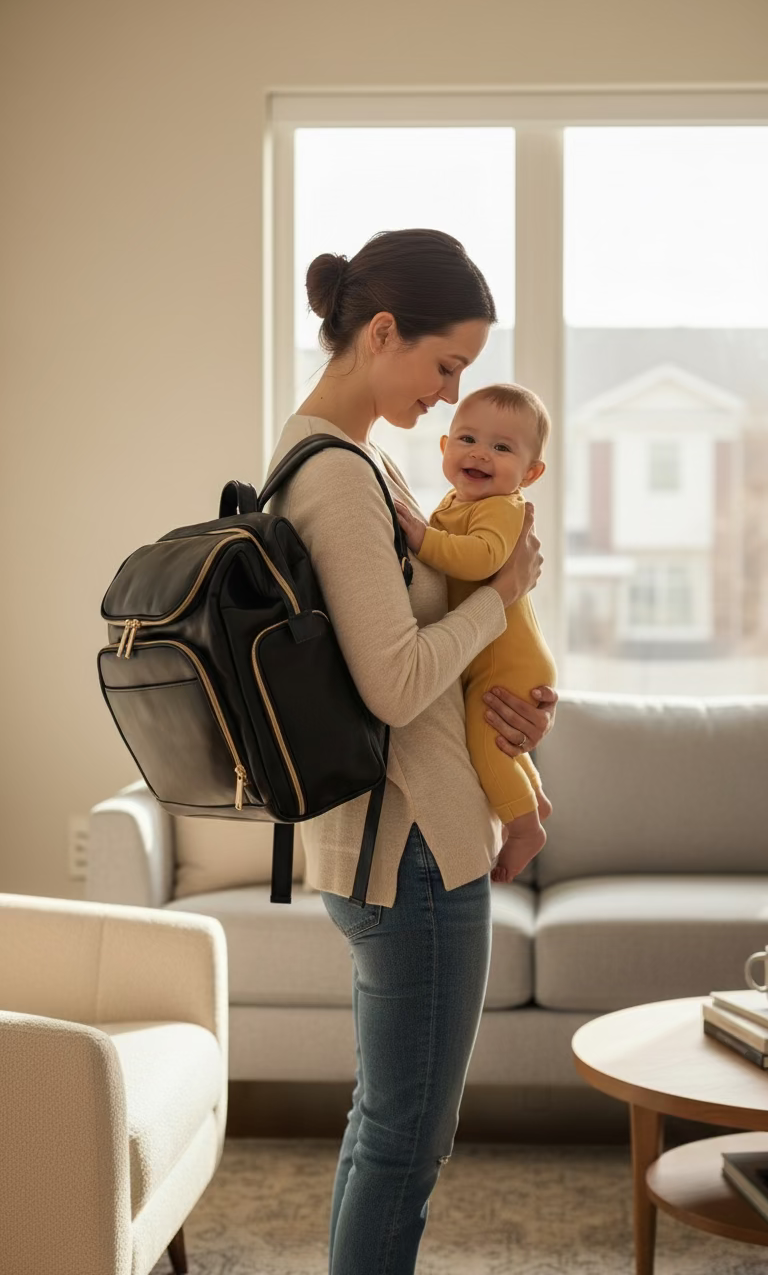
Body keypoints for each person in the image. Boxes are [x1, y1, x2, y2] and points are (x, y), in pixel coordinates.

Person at [263, 227, 558, 1275]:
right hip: (415, 849)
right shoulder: (341, 476)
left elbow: (399, 670)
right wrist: (503, 602)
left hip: (395, 833)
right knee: (404, 1144)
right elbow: (394, 682)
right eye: (446, 365)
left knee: (385, 1131)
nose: (451, 394)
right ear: (381, 333)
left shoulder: (345, 459)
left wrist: (511, 698)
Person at [391, 382, 557, 886]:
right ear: (444, 448)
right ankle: (534, 794)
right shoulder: (455, 501)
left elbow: (482, 558)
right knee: (495, 743)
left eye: (502, 448)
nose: (481, 453)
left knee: (485, 743)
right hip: (492, 652)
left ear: (530, 474)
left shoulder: (502, 508)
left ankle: (525, 827)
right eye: (467, 439)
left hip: (503, 660)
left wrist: (421, 536)